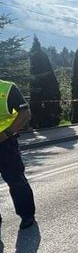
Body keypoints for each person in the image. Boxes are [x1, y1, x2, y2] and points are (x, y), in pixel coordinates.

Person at [0, 79, 36, 229]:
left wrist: (7, 133)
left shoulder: (7, 88)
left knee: (16, 180)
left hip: (5, 143)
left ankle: (27, 215)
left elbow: (25, 113)